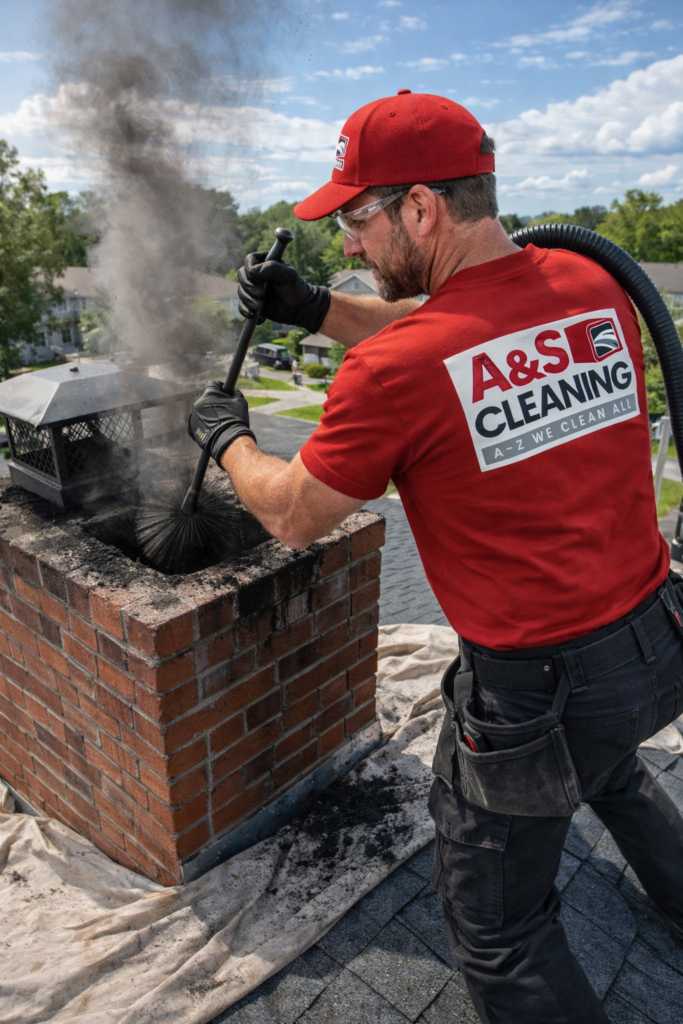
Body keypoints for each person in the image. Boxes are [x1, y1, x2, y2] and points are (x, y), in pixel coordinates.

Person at [188, 90, 683, 1023]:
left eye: (355, 221)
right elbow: (458, 334)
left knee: (501, 935)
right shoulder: (592, 284)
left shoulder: (392, 371)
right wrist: (312, 309)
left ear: (419, 208)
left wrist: (229, 442)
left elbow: (292, 515)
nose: (348, 245)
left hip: (537, 697)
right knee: (612, 769)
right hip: (654, 641)